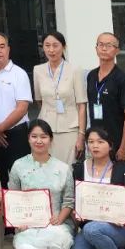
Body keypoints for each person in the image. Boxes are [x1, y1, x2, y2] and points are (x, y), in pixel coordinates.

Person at [69, 126, 125, 249]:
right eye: (91, 142)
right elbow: (76, 199)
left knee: (92, 229)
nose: (95, 146)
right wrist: (76, 213)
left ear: (110, 145)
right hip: (90, 225)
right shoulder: (80, 169)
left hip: (119, 228)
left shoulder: (123, 171)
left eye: (100, 142)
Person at [8, 119, 75, 249]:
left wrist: (60, 218)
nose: (39, 141)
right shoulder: (18, 166)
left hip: (56, 221)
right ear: (28, 139)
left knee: (56, 237)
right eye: (34, 136)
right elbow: (13, 197)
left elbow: (69, 200)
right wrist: (18, 221)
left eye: (43, 137)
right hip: (28, 222)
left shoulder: (63, 168)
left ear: (51, 139)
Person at [0, 32, 31, 186]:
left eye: (2, 46)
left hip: (16, 135)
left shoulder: (19, 74)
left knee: (21, 179)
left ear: (8, 49)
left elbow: (22, 108)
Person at [33, 30, 87, 165]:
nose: (51, 50)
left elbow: (81, 105)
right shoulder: (38, 70)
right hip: (45, 128)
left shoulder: (75, 69)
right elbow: (39, 100)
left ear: (64, 47)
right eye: (47, 45)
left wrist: (81, 135)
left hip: (70, 128)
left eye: (55, 45)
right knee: (46, 166)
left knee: (68, 168)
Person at [86, 32, 125, 165]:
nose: (104, 48)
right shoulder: (91, 76)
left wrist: (123, 147)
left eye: (109, 45)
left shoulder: (122, 79)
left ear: (117, 50)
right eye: (101, 44)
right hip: (97, 142)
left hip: (116, 142)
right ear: (96, 48)